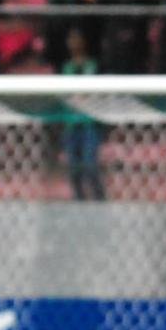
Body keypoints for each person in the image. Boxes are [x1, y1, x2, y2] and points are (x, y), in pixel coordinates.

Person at [59, 28, 104, 201]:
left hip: (89, 122)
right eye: (71, 39)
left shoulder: (93, 65)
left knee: (90, 164)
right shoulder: (66, 67)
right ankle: (79, 200)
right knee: (73, 168)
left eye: (77, 38)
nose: (74, 42)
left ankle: (99, 199)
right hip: (71, 122)